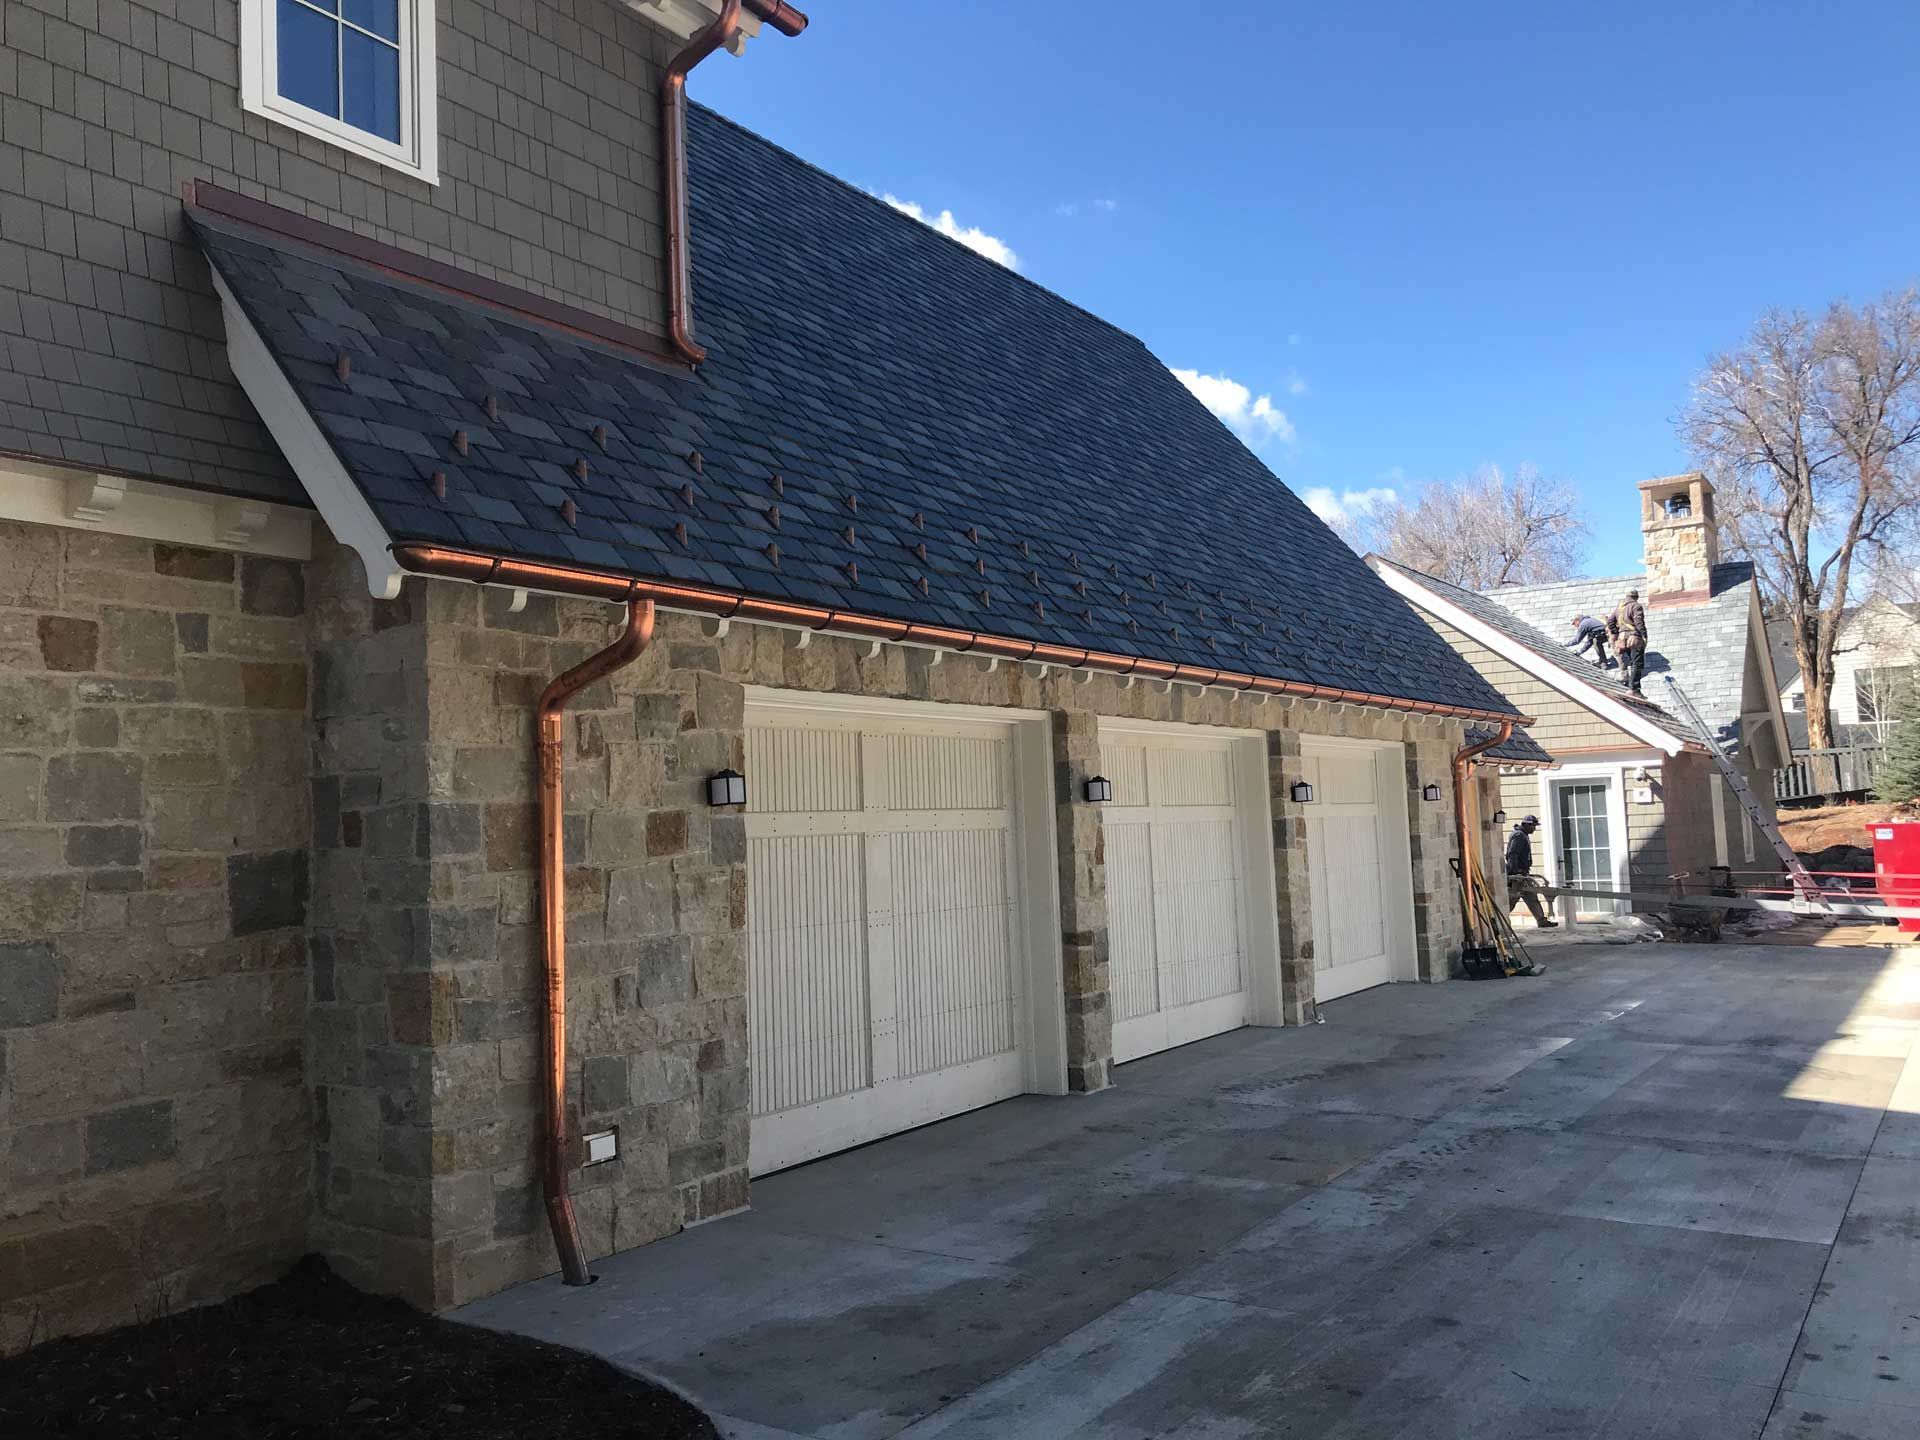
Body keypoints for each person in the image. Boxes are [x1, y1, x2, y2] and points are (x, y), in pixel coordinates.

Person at [1504, 815, 1558, 927]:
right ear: (1527, 825)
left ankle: (1541, 920)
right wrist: (1515, 872)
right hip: (1517, 874)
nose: (1534, 828)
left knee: (1531, 896)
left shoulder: (1523, 835)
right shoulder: (1519, 836)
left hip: (1523, 873)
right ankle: (1501, 920)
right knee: (1512, 899)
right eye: (1533, 826)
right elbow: (1512, 854)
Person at [1611, 588, 1648, 696]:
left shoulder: (1619, 608)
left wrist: (1616, 632)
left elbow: (1610, 621)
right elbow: (1638, 621)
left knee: (1632, 662)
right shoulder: (1636, 606)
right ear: (1636, 597)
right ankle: (1634, 689)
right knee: (1637, 663)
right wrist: (1643, 635)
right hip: (1634, 637)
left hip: (1622, 638)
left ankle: (1635, 689)